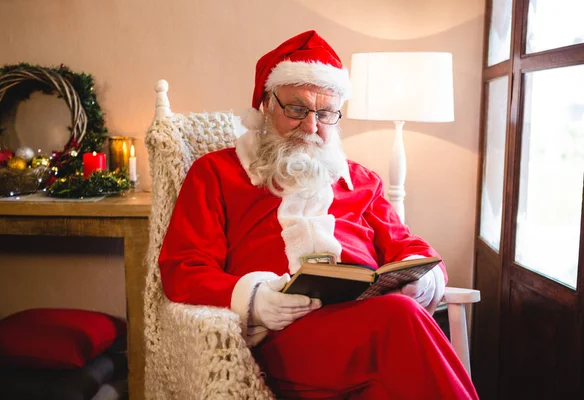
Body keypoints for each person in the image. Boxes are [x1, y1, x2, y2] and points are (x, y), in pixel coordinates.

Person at [159, 30, 478, 399]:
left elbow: (407, 245)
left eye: (325, 113)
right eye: (296, 109)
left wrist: (420, 279)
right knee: (402, 320)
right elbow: (183, 268)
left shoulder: (362, 180)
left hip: (369, 328)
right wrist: (255, 298)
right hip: (283, 337)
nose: (311, 127)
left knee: (397, 352)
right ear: (265, 104)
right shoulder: (215, 173)